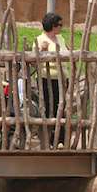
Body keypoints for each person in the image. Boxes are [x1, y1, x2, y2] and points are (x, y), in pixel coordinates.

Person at [36, 12, 70, 145]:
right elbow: (34, 60)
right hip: (47, 79)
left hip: (62, 79)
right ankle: (48, 139)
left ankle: (61, 139)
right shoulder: (40, 39)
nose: (61, 27)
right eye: (60, 25)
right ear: (53, 25)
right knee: (49, 107)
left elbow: (67, 51)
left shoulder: (60, 38)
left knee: (62, 108)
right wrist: (42, 49)